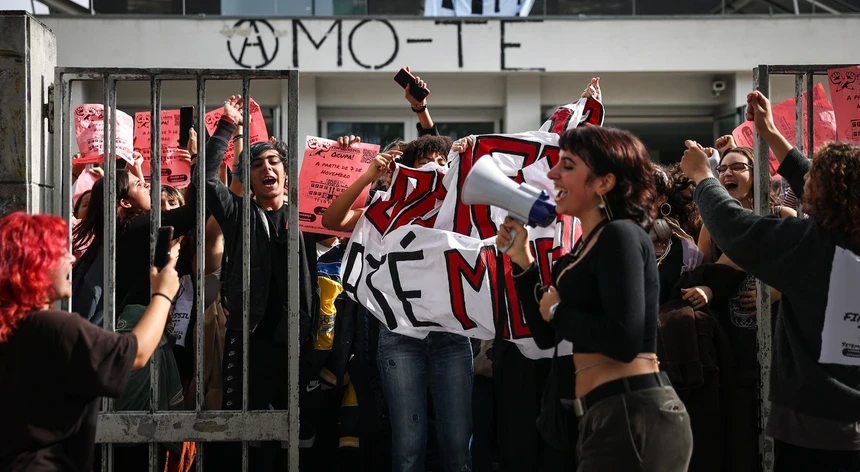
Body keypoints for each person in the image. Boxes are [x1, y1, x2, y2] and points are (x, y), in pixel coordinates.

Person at [680, 90, 860, 472]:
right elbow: (835, 182)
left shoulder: (812, 246)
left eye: (814, 184)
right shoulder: (846, 232)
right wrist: (773, 134)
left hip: (817, 427)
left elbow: (735, 227)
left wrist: (702, 177)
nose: (804, 188)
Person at [498, 126, 693, 471]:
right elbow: (546, 336)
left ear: (604, 183)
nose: (553, 174)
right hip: (605, 414)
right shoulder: (580, 252)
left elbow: (625, 339)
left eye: (568, 165)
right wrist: (523, 263)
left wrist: (558, 310)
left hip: (633, 413)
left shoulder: (621, 236)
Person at [323, 136, 473, 472]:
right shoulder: (386, 212)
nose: (435, 168)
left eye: (441, 163)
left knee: (459, 447)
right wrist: (365, 177)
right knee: (407, 447)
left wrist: (468, 161)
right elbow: (333, 222)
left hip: (451, 336)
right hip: (399, 338)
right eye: (425, 164)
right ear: (406, 172)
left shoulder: (458, 209)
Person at [0, 211, 180, 472]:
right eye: (60, 253)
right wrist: (163, 294)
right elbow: (137, 354)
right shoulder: (56, 327)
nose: (71, 259)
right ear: (35, 263)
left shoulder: (13, 325)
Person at [202, 95, 319, 471]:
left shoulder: (306, 216)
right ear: (247, 177)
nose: (266, 168)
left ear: (286, 173)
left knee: (297, 436)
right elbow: (204, 179)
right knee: (245, 433)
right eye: (255, 164)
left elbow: (341, 205)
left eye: (273, 161)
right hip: (247, 336)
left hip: (296, 341)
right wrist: (226, 127)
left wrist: (344, 154)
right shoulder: (238, 213)